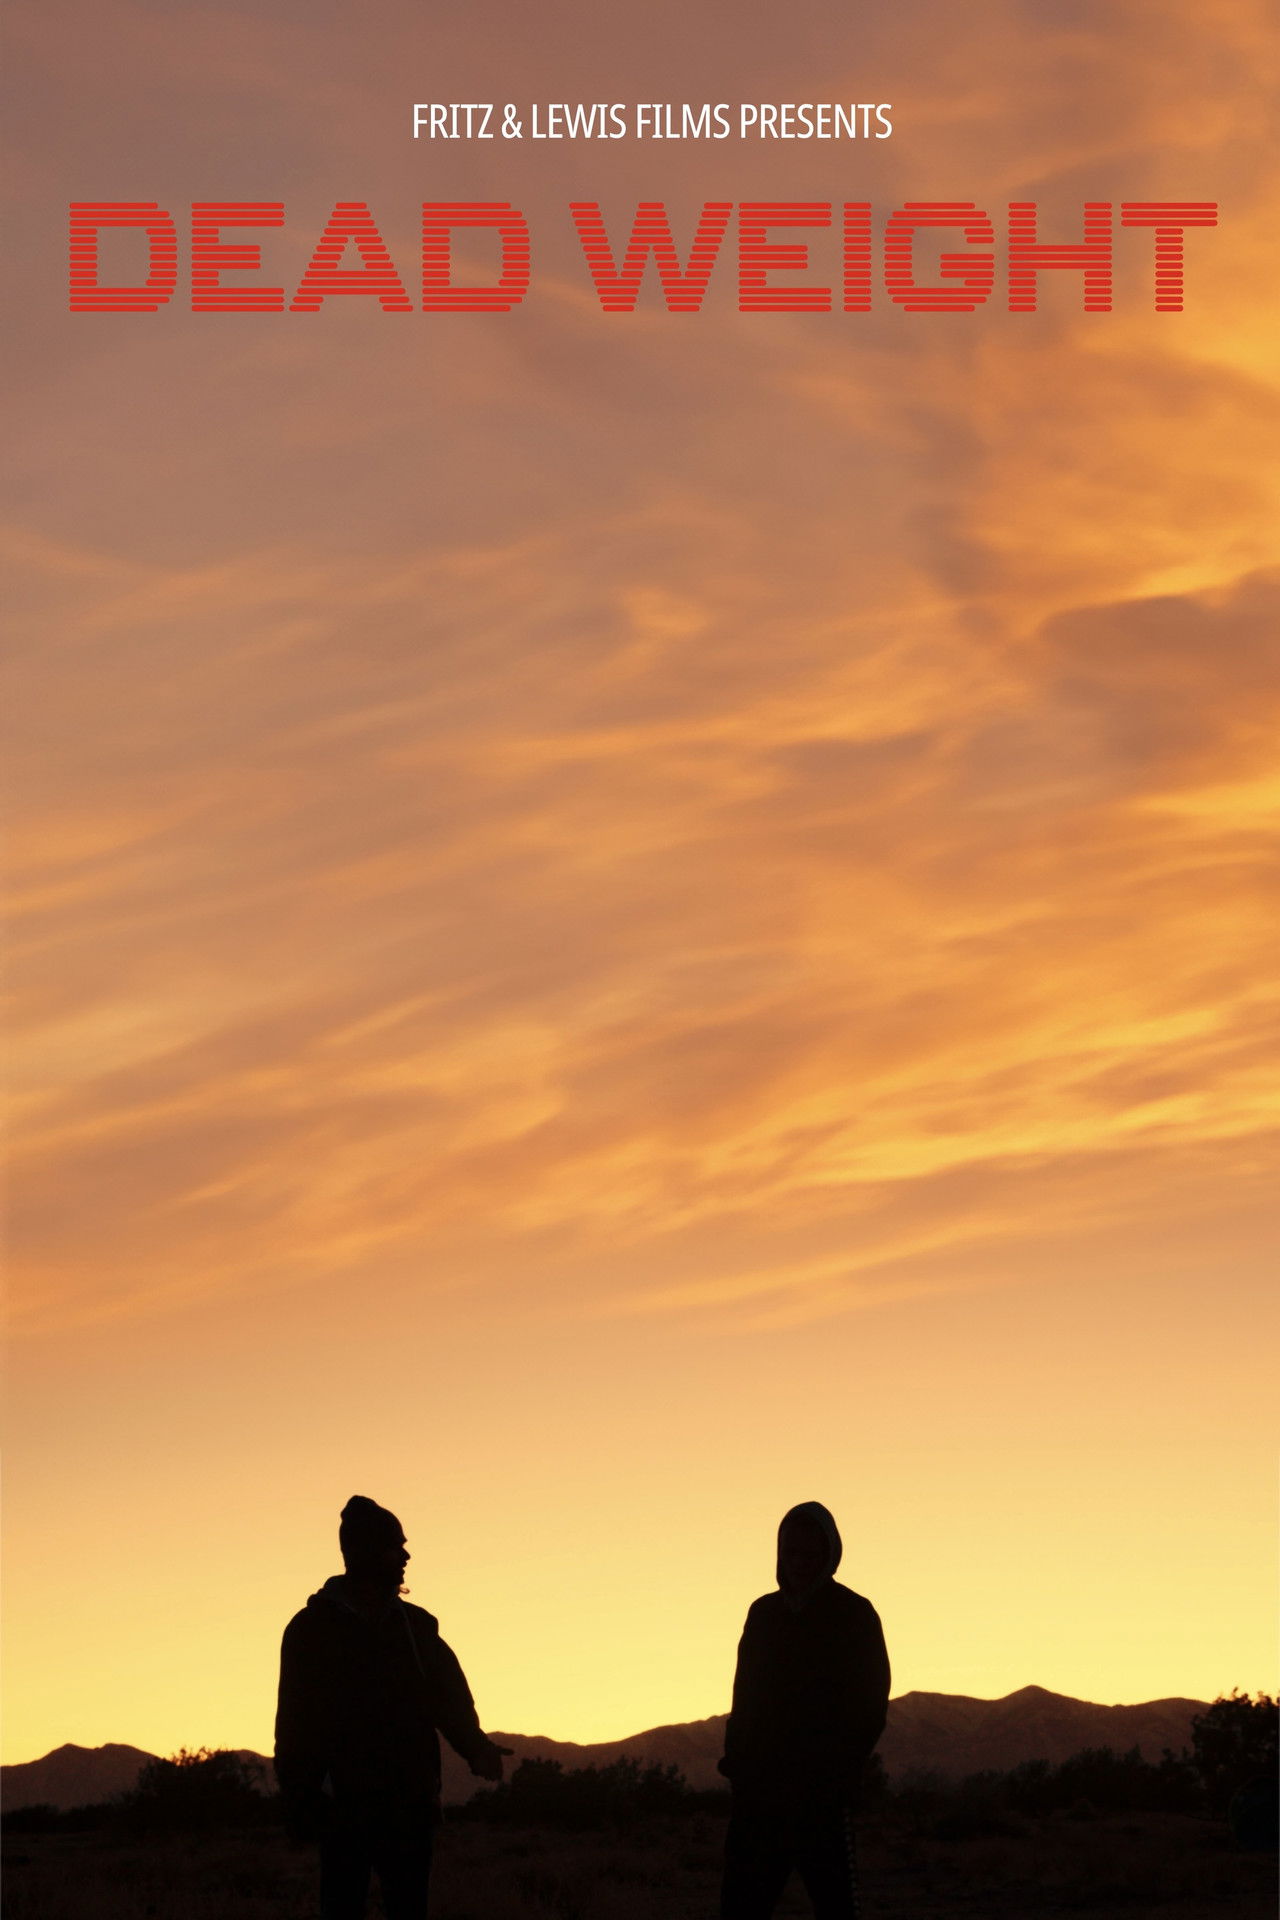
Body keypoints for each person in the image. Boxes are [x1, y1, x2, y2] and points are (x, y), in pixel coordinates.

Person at [275, 1495, 510, 1920]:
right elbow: (294, 1721)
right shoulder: (311, 1630)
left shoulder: (417, 1627)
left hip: (410, 1805)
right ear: (363, 1551)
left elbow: (449, 1699)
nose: (405, 1556)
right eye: (393, 1546)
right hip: (343, 1809)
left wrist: (477, 1748)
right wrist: (300, 1798)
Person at [718, 1502, 890, 1920]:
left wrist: (842, 1772)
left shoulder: (854, 1614)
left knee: (836, 1906)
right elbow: (744, 1696)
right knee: (742, 1906)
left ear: (829, 1555)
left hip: (822, 1794)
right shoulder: (763, 1614)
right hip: (760, 1790)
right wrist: (738, 1764)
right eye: (791, 1552)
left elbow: (870, 1701)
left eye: (810, 1554)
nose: (799, 1562)